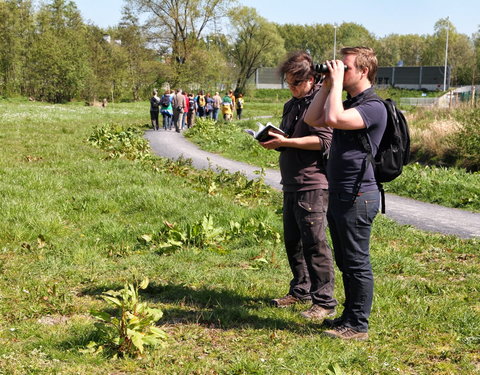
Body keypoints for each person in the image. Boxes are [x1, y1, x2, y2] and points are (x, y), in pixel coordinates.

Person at [304, 46, 387, 340]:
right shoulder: (350, 102)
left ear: (364, 71)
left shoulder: (374, 106)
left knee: (356, 261)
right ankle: (349, 316)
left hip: (358, 196)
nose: (339, 70)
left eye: (346, 67)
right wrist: (327, 84)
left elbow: (335, 119)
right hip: (341, 193)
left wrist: (336, 84)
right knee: (345, 260)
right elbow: (315, 119)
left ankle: (358, 325)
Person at [260, 51, 336, 322]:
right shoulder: (292, 104)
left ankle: (324, 301)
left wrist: (287, 143)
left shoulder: (321, 102)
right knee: (293, 241)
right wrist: (276, 139)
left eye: (296, 83)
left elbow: (323, 141)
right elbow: (291, 137)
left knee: (314, 243)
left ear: (312, 79)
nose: (291, 88)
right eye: (288, 83)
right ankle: (301, 290)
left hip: (313, 183)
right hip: (291, 182)